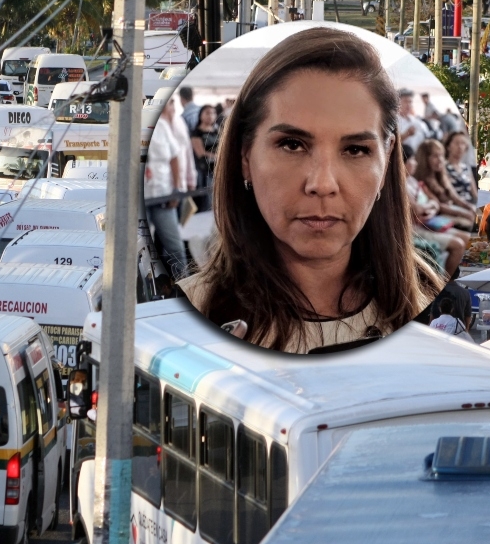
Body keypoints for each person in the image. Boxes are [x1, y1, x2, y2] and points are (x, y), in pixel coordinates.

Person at [178, 27, 443, 353]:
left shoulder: (433, 312)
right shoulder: (181, 319)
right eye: (292, 145)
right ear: (246, 156)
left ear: (387, 160)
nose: (322, 184)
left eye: (355, 150)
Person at [145, 95, 196, 280]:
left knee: (175, 247)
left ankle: (184, 283)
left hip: (162, 196)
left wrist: (176, 188)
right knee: (141, 250)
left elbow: (175, 157)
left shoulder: (161, 126)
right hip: (139, 199)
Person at [405, 145, 468, 276]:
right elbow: (418, 210)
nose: (415, 163)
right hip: (416, 229)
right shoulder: (402, 185)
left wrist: (430, 209)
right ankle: (445, 284)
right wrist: (430, 207)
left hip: (430, 223)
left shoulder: (413, 181)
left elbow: (435, 204)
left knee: (466, 237)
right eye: (412, 160)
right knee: (458, 245)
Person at [413, 139, 476, 228]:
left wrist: (470, 207)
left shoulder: (441, 175)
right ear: (425, 159)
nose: (440, 160)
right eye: (435, 156)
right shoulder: (420, 180)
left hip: (451, 211)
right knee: (470, 222)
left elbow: (455, 197)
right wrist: (464, 213)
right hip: (438, 217)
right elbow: (439, 205)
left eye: (441, 155)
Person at [191, 104, 220, 212]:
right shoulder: (196, 132)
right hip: (206, 169)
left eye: (213, 113)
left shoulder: (217, 130)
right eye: (207, 113)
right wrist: (217, 156)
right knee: (209, 197)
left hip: (219, 167)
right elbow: (200, 152)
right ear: (201, 115)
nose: (210, 116)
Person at [443, 131, 478, 206]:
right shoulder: (443, 167)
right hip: (453, 206)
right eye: (456, 143)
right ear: (448, 146)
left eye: (463, 143)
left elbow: (474, 193)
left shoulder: (466, 168)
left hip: (469, 204)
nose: (460, 147)